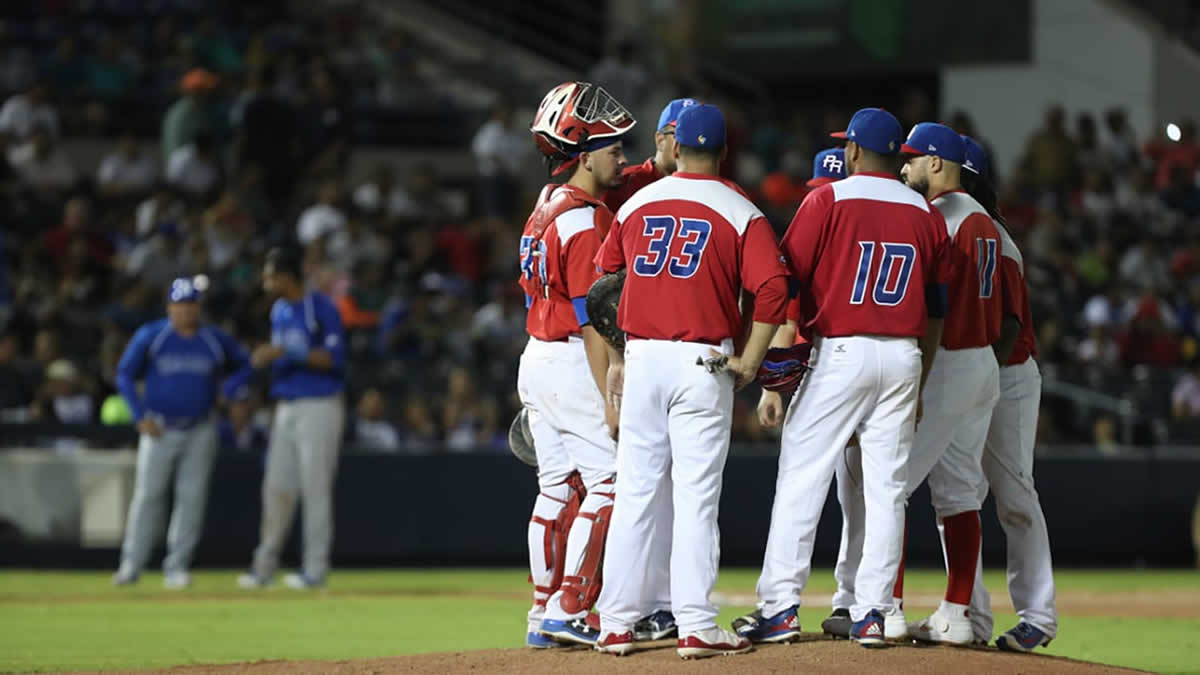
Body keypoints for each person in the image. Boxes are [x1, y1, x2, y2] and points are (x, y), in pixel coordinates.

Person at [737, 108, 949, 648]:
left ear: (853, 150)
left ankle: (780, 607)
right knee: (886, 490)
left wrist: (777, 359)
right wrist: (919, 376)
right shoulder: (924, 210)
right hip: (903, 354)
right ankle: (873, 613)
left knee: (802, 476)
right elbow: (938, 301)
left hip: (842, 349)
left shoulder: (828, 198)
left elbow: (787, 279)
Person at [594, 103, 789, 659]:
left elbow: (604, 286)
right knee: (696, 498)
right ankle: (696, 624)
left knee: (635, 493)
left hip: (644, 358)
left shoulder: (636, 203)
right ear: (725, 152)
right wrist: (752, 360)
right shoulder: (738, 208)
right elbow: (773, 289)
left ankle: (614, 623)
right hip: (703, 362)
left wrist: (617, 354)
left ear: (675, 148)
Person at [828, 123, 1007, 645]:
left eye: (909, 160)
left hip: (948, 362)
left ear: (935, 162)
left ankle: (887, 608)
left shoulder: (939, 218)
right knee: (959, 495)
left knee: (889, 485)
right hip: (983, 366)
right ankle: (955, 614)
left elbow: (929, 304)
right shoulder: (985, 221)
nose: (902, 169)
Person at [518, 81, 633, 649]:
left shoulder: (546, 203)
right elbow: (594, 316)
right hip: (571, 356)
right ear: (585, 156)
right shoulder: (586, 220)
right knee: (611, 482)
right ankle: (571, 605)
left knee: (557, 489)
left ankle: (541, 612)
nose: (623, 157)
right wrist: (609, 390)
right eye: (614, 149)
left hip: (536, 353)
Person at [959, 135, 1059, 652]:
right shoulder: (954, 225)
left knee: (1015, 493)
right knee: (959, 494)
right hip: (973, 373)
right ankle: (970, 616)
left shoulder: (994, 235)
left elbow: (1011, 322)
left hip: (1009, 375)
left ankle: (1038, 615)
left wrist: (978, 378)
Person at [113, 276, 251, 588]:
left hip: (200, 427)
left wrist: (229, 387)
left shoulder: (214, 339)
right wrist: (138, 416)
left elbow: (245, 365)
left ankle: (176, 566)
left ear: (198, 307)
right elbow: (124, 374)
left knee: (191, 499)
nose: (186, 311)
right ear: (169, 307)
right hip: (159, 426)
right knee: (148, 497)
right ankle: (131, 565)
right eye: (180, 305)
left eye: (191, 304)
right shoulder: (153, 335)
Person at [238, 247, 347, 590]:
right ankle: (264, 567)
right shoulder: (280, 310)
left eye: (272, 276)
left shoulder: (321, 308)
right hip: (285, 404)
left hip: (319, 403)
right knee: (276, 487)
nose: (267, 283)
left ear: (288, 276)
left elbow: (334, 358)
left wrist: (286, 352)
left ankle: (315, 570)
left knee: (315, 489)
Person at [603, 98, 696, 213]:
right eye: (681, 135)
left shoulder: (706, 190)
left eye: (696, 136)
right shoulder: (624, 184)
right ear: (660, 140)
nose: (690, 143)